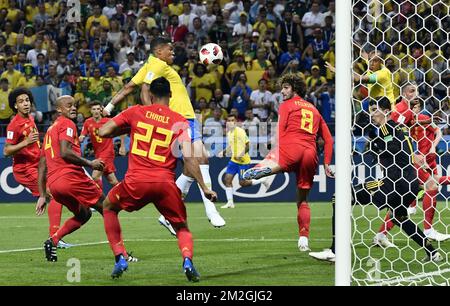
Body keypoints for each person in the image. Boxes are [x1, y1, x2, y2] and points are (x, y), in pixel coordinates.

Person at [98, 77, 217, 281]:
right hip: (165, 184)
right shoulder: (179, 120)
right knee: (181, 228)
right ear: (170, 95)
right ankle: (187, 261)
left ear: (151, 95)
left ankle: (120, 257)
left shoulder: (136, 111)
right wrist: (204, 187)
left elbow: (103, 131)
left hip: (136, 182)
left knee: (108, 206)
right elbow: (189, 158)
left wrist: (129, 128)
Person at [102, 36, 225, 229]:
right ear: (159, 51)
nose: (173, 53)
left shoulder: (150, 65)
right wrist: (151, 114)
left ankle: (167, 215)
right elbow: (145, 89)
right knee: (200, 159)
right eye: (170, 50)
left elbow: (129, 87)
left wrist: (109, 107)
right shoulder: (158, 64)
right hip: (178, 118)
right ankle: (211, 210)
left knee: (191, 167)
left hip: (185, 119)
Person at [309, 97, 443, 263]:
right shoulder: (399, 128)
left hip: (394, 183)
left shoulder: (387, 128)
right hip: (410, 184)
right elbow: (401, 149)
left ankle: (336, 251)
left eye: (374, 110)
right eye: (370, 110)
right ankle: (432, 253)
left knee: (342, 196)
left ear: (386, 111)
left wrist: (374, 144)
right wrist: (375, 140)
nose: (371, 114)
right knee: (399, 217)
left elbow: (392, 149)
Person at [36, 95, 137, 263]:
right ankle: (122, 255)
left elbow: (41, 164)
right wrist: (90, 163)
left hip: (54, 185)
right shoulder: (67, 124)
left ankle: (53, 240)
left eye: (74, 105)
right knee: (108, 208)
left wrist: (41, 194)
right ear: (59, 109)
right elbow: (65, 152)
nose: (73, 108)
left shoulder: (49, 131)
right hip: (70, 177)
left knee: (83, 214)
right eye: (69, 106)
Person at [242, 74, 334, 251]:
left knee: (274, 160)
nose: (282, 91)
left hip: (291, 146)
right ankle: (303, 240)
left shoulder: (286, 105)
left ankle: (263, 171)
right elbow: (329, 140)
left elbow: (280, 131)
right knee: (302, 201)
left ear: (295, 88)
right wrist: (327, 163)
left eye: (285, 87)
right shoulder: (314, 109)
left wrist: (277, 153)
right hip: (310, 153)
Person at [374, 99, 450, 246]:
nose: (413, 110)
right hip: (415, 160)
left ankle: (381, 234)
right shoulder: (404, 120)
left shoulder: (418, 118)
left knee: (404, 202)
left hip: (427, 159)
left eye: (416, 107)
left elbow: (438, 130)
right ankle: (428, 230)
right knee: (431, 186)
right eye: (412, 107)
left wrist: (433, 147)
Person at [3, 88, 71, 248]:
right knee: (55, 194)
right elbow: (6, 150)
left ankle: (55, 237)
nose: (25, 103)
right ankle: (55, 238)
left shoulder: (30, 118)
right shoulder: (14, 125)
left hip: (38, 166)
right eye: (21, 101)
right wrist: (25, 143)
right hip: (25, 169)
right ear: (15, 106)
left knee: (57, 194)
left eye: (27, 100)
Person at [218, 114, 269, 209]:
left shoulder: (240, 131)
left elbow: (248, 145)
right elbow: (231, 146)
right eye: (229, 121)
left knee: (243, 183)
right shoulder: (229, 133)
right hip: (233, 161)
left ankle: (262, 180)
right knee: (227, 179)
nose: (230, 122)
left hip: (243, 161)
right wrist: (224, 152)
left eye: (232, 120)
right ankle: (230, 203)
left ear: (235, 121)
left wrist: (241, 154)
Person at [79, 101, 125, 190]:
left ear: (101, 110)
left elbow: (122, 130)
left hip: (107, 153)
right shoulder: (87, 122)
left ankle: (100, 199)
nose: (96, 111)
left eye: (98, 109)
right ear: (90, 111)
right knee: (113, 181)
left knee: (95, 176)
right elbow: (82, 134)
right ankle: (124, 196)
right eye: (93, 109)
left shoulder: (108, 121)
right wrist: (81, 137)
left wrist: (122, 146)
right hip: (98, 154)